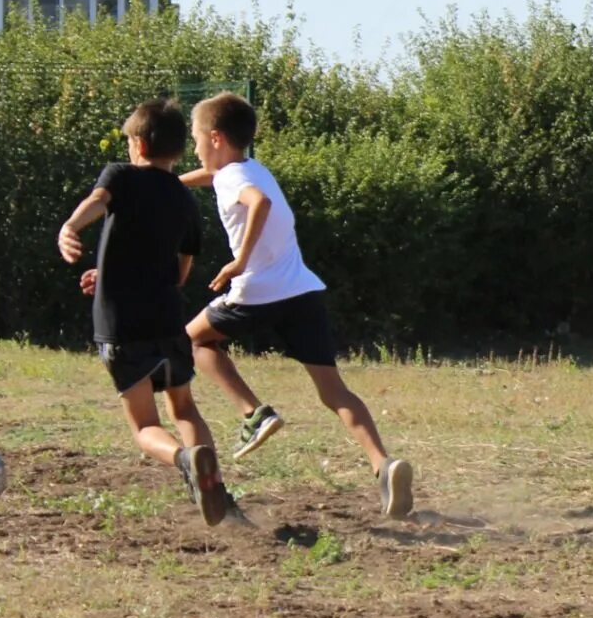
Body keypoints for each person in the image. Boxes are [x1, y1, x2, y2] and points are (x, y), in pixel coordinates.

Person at [180, 92, 415, 518]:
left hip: (257, 291)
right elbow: (218, 180)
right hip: (301, 291)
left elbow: (258, 204)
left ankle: (254, 414)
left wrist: (240, 261)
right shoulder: (252, 169)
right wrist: (169, 183)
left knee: (193, 341)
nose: (194, 147)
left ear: (215, 138)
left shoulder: (235, 178)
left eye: (196, 139)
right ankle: (384, 465)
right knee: (334, 391)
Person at [56, 99, 233, 526]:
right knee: (185, 409)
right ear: (176, 150)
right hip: (168, 322)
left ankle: (185, 460)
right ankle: (217, 491)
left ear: (137, 144)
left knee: (144, 427)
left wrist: (70, 228)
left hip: (122, 327)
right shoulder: (185, 200)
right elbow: (178, 272)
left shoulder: (120, 175)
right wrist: (112, 271)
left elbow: (98, 201)